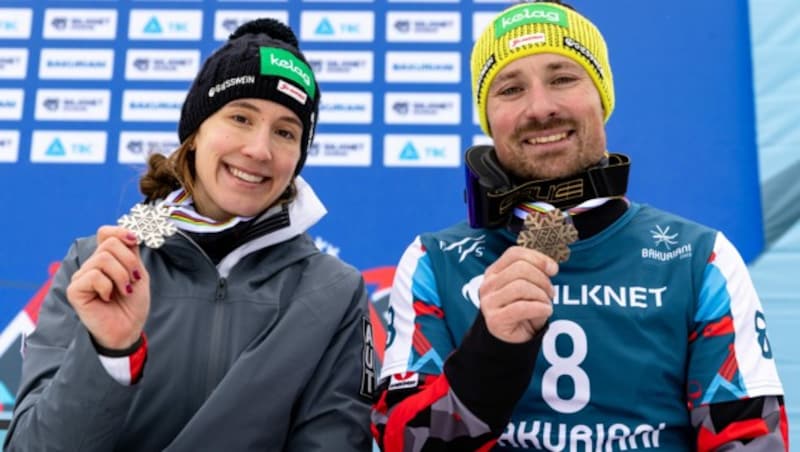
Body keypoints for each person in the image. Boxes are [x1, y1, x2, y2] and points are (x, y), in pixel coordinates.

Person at [371, 1, 788, 450]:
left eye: (563, 79)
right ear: (487, 119)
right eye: (510, 89)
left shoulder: (698, 257)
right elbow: (403, 443)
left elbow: (749, 439)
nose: (541, 107)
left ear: (602, 97)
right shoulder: (434, 262)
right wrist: (491, 352)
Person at [5, 18, 374, 451]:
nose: (260, 149)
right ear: (196, 132)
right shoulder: (99, 263)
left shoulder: (331, 291)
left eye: (285, 132)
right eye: (240, 117)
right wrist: (110, 355)